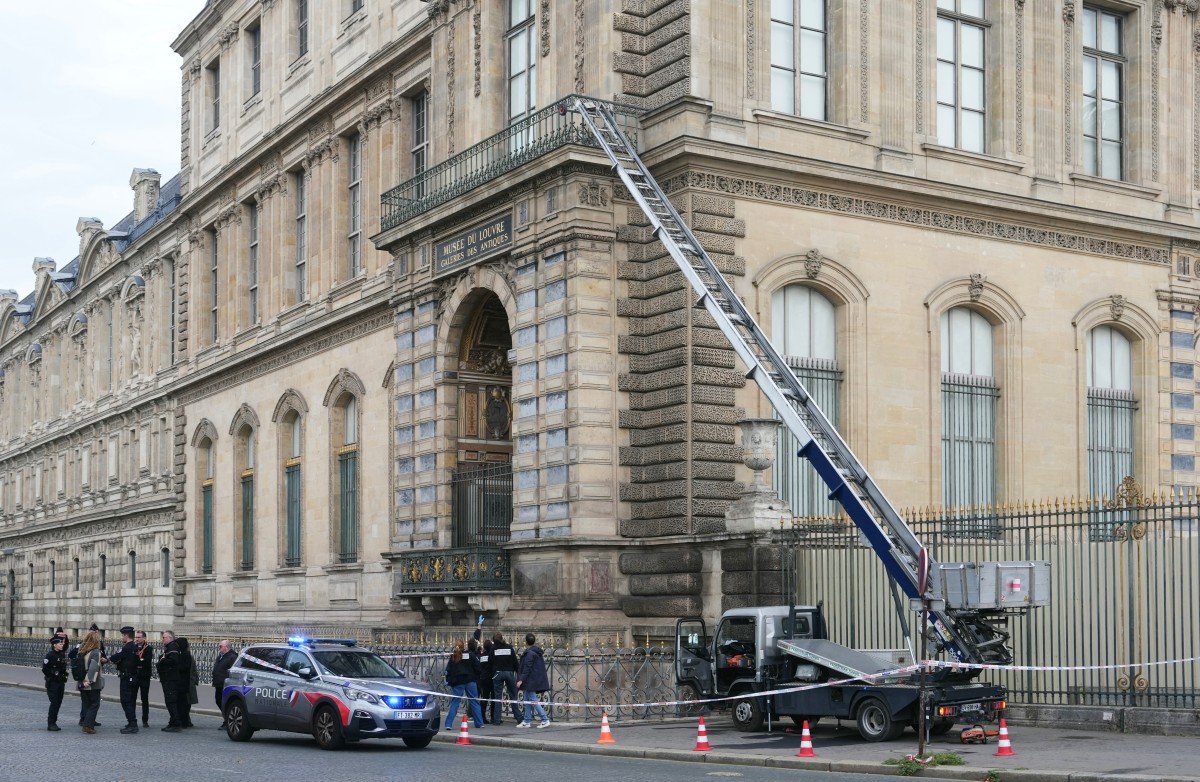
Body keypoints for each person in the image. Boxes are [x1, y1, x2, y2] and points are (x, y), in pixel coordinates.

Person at [443, 640, 484, 730]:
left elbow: (448, 670)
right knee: (474, 701)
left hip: (458, 682)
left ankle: (448, 724)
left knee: (455, 702)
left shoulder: (453, 656)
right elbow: (478, 667)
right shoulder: (470, 655)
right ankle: (479, 723)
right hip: (470, 680)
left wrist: (450, 681)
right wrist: (476, 676)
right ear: (464, 646)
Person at [107, 626, 141, 734]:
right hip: (132, 677)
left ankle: (133, 724)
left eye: (123, 635)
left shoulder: (128, 647)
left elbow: (117, 657)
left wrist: (107, 659)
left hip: (127, 678)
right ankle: (131, 722)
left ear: (126, 635)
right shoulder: (134, 647)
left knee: (126, 701)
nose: (122, 637)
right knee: (130, 701)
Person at [516, 632, 551, 729]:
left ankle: (545, 719)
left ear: (526, 642)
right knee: (527, 700)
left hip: (530, 680)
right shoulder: (536, 652)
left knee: (533, 700)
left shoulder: (529, 653)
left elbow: (527, 668)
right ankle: (527, 720)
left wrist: (521, 680)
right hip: (533, 679)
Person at [490, 631, 521, 725]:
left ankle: (497, 720)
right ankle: (519, 718)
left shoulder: (493, 649)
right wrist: (518, 674)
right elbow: (515, 661)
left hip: (498, 673)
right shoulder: (509, 647)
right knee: (513, 696)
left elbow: (490, 662)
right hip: (509, 672)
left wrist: (493, 673)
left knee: (498, 698)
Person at [77, 629, 104, 734]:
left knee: (86, 704)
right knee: (94, 704)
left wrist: (82, 683)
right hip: (91, 684)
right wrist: (88, 681)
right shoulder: (95, 652)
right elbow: (93, 668)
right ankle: (88, 726)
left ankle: (85, 722)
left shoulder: (82, 651)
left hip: (81, 680)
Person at [156, 630, 183, 732]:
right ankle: (172, 722)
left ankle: (176, 724)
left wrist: (162, 660)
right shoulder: (170, 647)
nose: (162, 639)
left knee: (171, 702)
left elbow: (173, 661)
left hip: (171, 679)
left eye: (164, 637)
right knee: (169, 702)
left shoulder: (173, 647)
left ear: (170, 638)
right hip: (168, 678)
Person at [42, 635, 68, 731]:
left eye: (62, 644)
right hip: (53, 683)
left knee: (58, 702)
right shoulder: (50, 655)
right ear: (54, 645)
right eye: (60, 644)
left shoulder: (62, 654)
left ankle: (54, 722)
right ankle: (51, 723)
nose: (62, 645)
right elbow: (45, 669)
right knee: (54, 702)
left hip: (61, 682)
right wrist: (53, 675)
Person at [212, 640, 237, 729]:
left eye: (220, 646)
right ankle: (227, 719)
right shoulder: (221, 656)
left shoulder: (232, 657)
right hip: (218, 683)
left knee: (225, 703)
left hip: (225, 684)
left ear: (226, 647)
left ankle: (228, 721)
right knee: (218, 701)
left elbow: (232, 672)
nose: (219, 648)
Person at [134, 631, 154, 727]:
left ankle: (145, 720)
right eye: (136, 637)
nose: (137, 639)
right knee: (132, 698)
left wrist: (139, 661)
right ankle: (132, 720)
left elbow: (147, 661)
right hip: (135, 675)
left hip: (144, 676)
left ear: (144, 638)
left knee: (144, 699)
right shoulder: (133, 647)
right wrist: (140, 661)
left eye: (139, 637)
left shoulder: (148, 648)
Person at [178, 636, 197, 728]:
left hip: (187, 683)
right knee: (186, 702)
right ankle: (186, 720)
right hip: (188, 683)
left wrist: (195, 679)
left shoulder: (186, 656)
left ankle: (185, 720)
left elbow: (193, 670)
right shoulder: (186, 655)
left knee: (186, 702)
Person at [478, 638, 496, 724]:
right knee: (493, 699)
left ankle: (482, 717)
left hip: (483, 679)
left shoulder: (482, 655)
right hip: (491, 678)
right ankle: (493, 717)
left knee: (484, 699)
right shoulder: (492, 655)